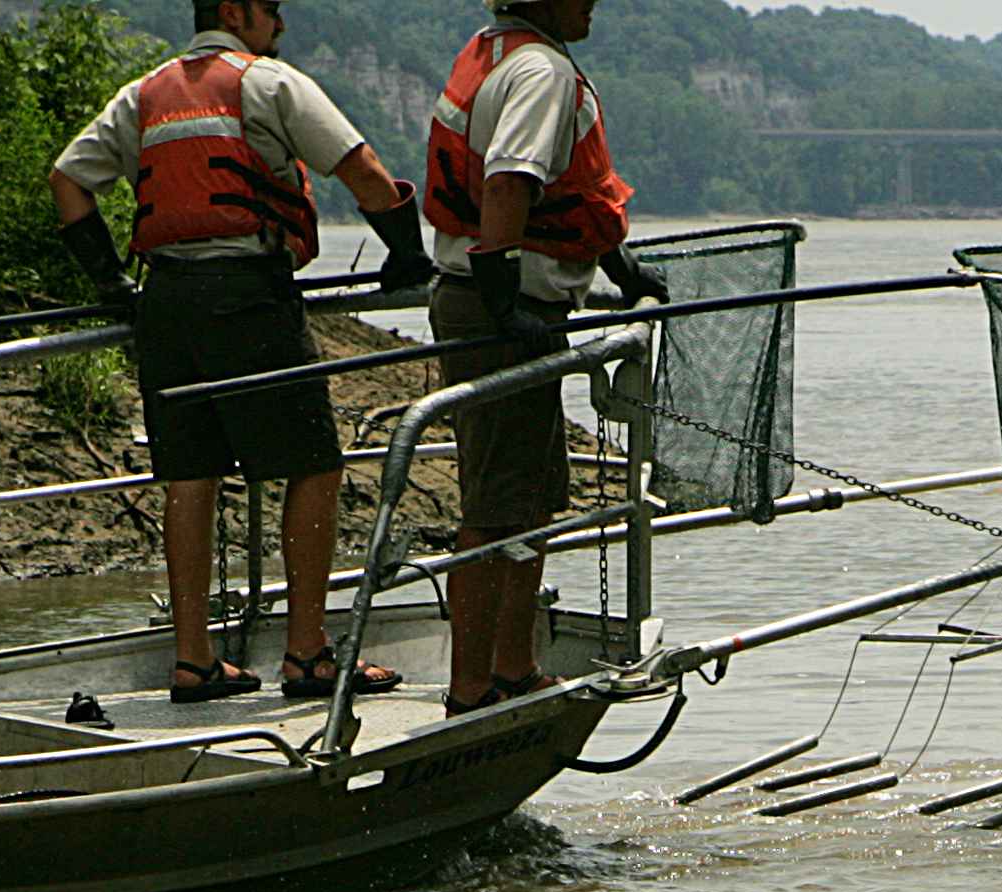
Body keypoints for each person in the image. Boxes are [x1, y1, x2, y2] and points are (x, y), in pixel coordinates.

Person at [50, 0, 436, 703]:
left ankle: (194, 661)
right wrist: (407, 257)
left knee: (190, 477)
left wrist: (110, 283)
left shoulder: (143, 94)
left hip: (166, 305)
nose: (280, 24)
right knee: (314, 464)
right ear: (234, 10)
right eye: (272, 8)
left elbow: (67, 180)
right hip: (248, 297)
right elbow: (367, 172)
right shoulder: (269, 82)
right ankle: (307, 654)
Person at [424, 0, 666, 716]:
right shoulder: (542, 70)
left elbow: (567, 190)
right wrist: (506, 302)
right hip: (495, 312)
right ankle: (476, 684)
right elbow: (509, 180)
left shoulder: (497, 52)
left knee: (525, 501)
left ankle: (512, 664)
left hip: (502, 306)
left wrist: (617, 267)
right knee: (498, 504)